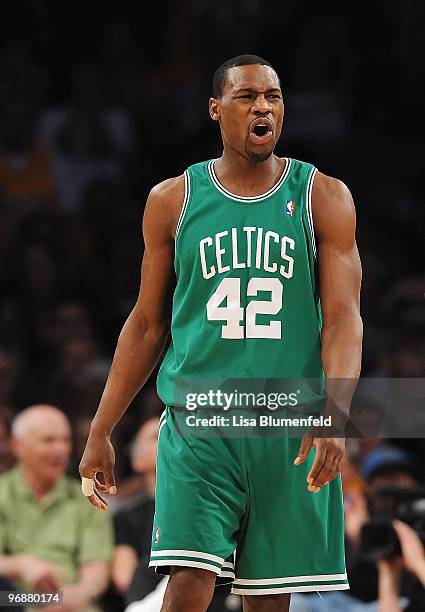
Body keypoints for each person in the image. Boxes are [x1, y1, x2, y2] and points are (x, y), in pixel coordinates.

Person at [80, 54, 363, 612]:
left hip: (286, 422)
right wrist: (100, 428)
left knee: (267, 599)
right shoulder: (173, 200)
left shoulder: (322, 196)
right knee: (188, 581)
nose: (263, 107)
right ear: (216, 110)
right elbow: (146, 324)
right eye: (247, 96)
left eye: (274, 97)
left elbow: (344, 319)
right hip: (200, 422)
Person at [0, 404, 113, 612]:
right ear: (18, 446)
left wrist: (84, 592)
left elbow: (96, 565)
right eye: (48, 440)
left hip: (71, 603)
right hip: (13, 599)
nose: (61, 449)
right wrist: (22, 564)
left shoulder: (87, 498)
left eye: (65, 440)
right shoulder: (3, 492)